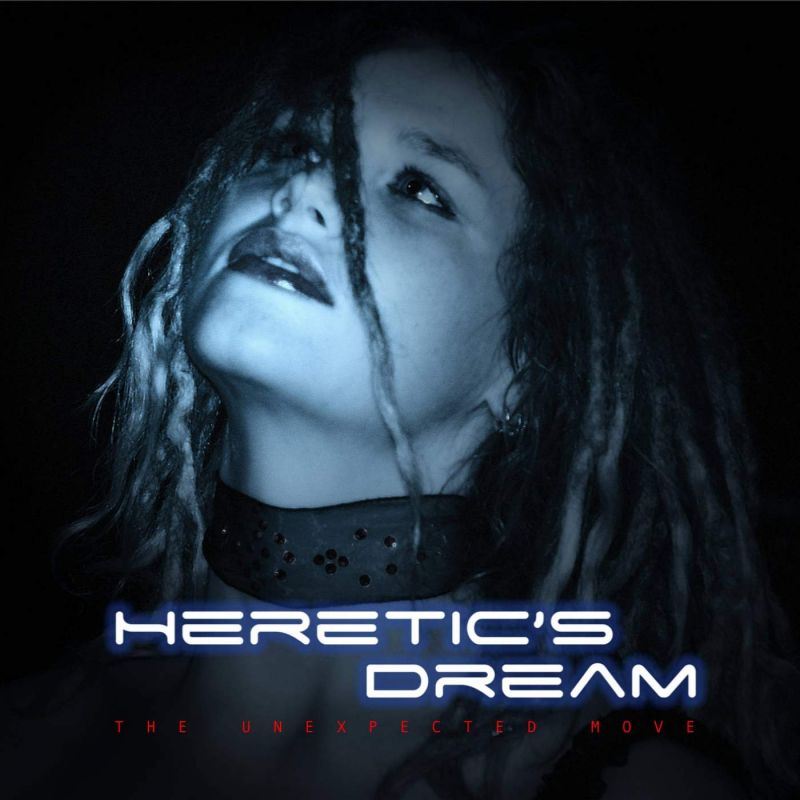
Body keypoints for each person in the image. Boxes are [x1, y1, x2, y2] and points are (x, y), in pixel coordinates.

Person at [5, 6, 798, 799]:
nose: (305, 191)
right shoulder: (30, 737)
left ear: (530, 368)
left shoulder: (635, 786)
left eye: (419, 188)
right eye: (289, 148)